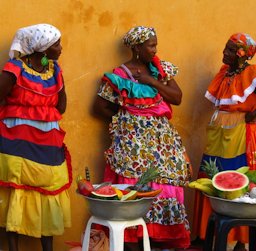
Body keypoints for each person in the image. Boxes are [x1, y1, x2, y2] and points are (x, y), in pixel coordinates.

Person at [93, 26, 192, 251]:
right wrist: (127, 121)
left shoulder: (161, 70)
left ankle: (158, 241)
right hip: (133, 145)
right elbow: (99, 107)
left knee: (164, 185)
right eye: (151, 45)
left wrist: (151, 81)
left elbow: (177, 98)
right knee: (135, 186)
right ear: (137, 48)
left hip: (164, 144)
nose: (155, 49)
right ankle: (133, 242)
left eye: (156, 44)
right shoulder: (119, 76)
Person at [0, 24, 72, 251]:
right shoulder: (15, 68)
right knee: (16, 188)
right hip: (16, 142)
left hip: (47, 143)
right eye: (56, 44)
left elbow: (62, 105)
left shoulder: (55, 70)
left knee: (48, 187)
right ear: (42, 48)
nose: (60, 48)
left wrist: (39, 117)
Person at [192, 33, 256, 251]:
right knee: (209, 176)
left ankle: (240, 240)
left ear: (241, 54)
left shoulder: (252, 72)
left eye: (230, 50)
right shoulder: (224, 73)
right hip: (218, 129)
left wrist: (254, 113)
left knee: (238, 175)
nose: (224, 53)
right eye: (225, 48)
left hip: (239, 131)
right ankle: (204, 234)